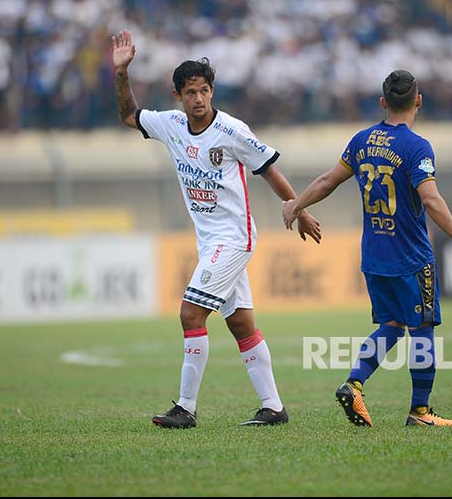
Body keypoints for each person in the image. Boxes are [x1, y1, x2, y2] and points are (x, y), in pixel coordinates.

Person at [111, 30, 321, 428]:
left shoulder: (232, 131)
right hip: (211, 243)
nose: (199, 99)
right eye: (190, 92)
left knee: (191, 315)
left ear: (212, 92)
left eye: (205, 90)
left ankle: (185, 409)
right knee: (241, 324)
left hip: (234, 239)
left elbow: (268, 170)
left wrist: (298, 207)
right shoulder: (171, 125)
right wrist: (122, 72)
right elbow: (128, 115)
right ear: (179, 96)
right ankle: (273, 407)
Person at [283, 70, 452, 427]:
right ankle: (420, 411)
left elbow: (327, 182)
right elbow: (430, 200)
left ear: (383, 102)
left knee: (391, 325)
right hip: (411, 258)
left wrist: (295, 205)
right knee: (422, 331)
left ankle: (354, 383)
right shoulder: (417, 147)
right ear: (418, 100)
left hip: (374, 256)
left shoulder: (361, 140)